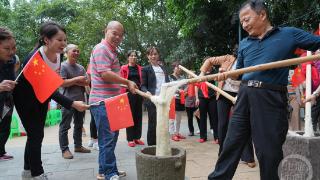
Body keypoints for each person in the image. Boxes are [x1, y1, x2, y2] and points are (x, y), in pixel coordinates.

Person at [208, 1, 320, 180]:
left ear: (262, 15)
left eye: (247, 19)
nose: (244, 25)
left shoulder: (288, 34)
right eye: (242, 22)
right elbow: (240, 74)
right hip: (244, 95)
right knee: (230, 144)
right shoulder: (245, 43)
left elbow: (317, 42)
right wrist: (227, 74)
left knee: (269, 152)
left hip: (270, 97)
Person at [13, 22, 89, 180]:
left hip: (41, 96)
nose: (64, 44)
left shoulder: (58, 55)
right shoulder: (35, 59)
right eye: (59, 40)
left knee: (35, 135)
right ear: (46, 40)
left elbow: (51, 84)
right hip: (25, 98)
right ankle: (37, 173)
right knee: (36, 135)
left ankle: (27, 171)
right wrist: (73, 103)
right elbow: (48, 87)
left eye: (65, 40)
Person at [89, 21, 137, 180]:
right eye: (114, 33)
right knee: (107, 140)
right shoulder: (102, 49)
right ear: (106, 31)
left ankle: (105, 170)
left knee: (110, 139)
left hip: (112, 101)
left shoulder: (111, 50)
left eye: (120, 35)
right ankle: (110, 173)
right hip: (103, 102)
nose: (117, 37)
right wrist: (127, 82)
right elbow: (105, 74)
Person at [200, 48, 256, 168]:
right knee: (223, 124)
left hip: (241, 94)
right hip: (224, 93)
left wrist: (225, 72)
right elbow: (209, 60)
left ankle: (248, 156)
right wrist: (202, 73)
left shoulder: (251, 61)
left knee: (244, 123)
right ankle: (223, 153)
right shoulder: (228, 58)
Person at [58, 44, 91, 159]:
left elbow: (87, 82)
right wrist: (77, 80)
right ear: (66, 52)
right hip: (67, 101)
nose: (76, 53)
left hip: (81, 101)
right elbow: (62, 83)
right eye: (74, 51)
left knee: (79, 124)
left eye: (78, 51)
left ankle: (78, 146)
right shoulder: (62, 66)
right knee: (65, 126)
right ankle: (65, 149)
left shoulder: (81, 68)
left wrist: (74, 81)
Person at [141, 46, 169, 146]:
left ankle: (161, 144)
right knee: (153, 123)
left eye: (155, 54)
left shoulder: (163, 68)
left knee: (163, 123)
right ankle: (152, 146)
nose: (153, 56)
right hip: (152, 99)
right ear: (148, 56)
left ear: (158, 55)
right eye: (151, 54)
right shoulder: (145, 69)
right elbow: (143, 85)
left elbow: (167, 82)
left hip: (163, 99)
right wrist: (146, 92)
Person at [120, 50, 144, 147]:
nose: (134, 57)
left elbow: (142, 81)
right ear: (128, 57)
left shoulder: (140, 68)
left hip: (139, 94)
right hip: (128, 94)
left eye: (135, 56)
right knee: (130, 116)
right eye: (132, 56)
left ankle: (137, 138)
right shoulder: (124, 68)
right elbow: (121, 81)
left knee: (138, 115)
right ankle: (130, 139)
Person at [0, 27, 17, 161]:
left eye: (14, 48)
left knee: (5, 127)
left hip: (6, 102)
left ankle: (1, 151)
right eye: (7, 49)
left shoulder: (11, 61)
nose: (11, 52)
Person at [195, 66, 219, 143]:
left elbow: (218, 84)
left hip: (212, 97)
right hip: (202, 97)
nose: (207, 66)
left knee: (214, 117)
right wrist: (197, 98)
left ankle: (217, 137)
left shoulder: (215, 73)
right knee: (202, 117)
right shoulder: (201, 74)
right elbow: (196, 86)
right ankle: (203, 137)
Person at [169, 62, 186, 141]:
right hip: (172, 99)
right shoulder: (169, 77)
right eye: (177, 67)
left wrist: (184, 91)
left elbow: (186, 87)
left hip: (181, 99)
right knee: (172, 118)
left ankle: (177, 132)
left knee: (179, 118)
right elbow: (169, 87)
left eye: (180, 68)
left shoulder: (183, 78)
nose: (179, 69)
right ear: (173, 68)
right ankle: (172, 134)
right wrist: (178, 90)